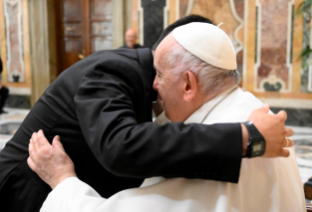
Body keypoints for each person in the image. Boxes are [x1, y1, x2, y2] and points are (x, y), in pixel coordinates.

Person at [0, 16, 292, 212]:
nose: (154, 84)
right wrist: (246, 136)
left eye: (161, 75)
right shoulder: (111, 71)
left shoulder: (232, 120)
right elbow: (121, 145)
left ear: (189, 84)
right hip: (25, 191)